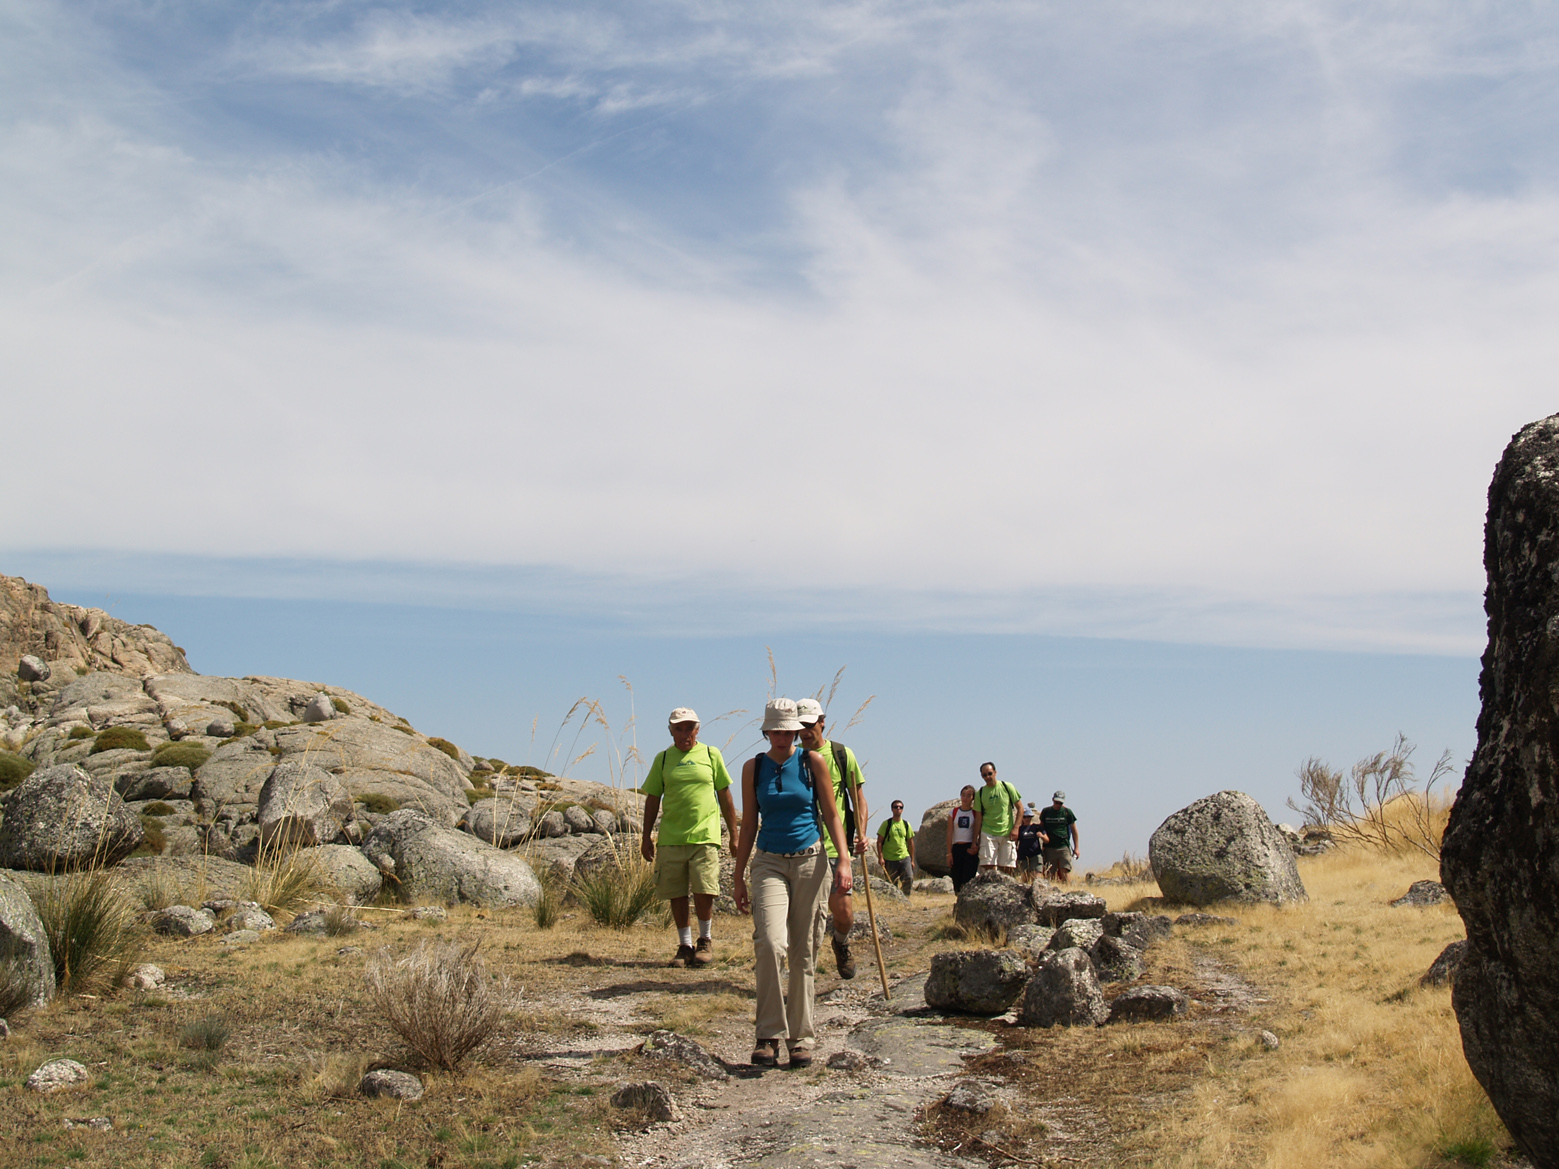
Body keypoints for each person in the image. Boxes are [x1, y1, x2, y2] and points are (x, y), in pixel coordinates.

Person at [732, 698, 853, 1069]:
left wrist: (844, 860)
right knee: (770, 943)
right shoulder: (753, 768)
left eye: (789, 730)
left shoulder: (812, 762)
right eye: (777, 730)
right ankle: (767, 1034)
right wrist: (738, 875)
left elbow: (832, 813)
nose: (784, 736)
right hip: (768, 860)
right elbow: (749, 823)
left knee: (803, 951)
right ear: (766, 731)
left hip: (810, 860)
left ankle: (800, 1037)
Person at [640, 708, 739, 968]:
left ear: (697, 730)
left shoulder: (711, 754)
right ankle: (684, 946)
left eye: (689, 728)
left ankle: (705, 940)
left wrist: (733, 834)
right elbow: (652, 799)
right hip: (671, 837)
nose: (684, 734)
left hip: (705, 835)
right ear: (671, 731)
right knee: (676, 892)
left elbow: (724, 794)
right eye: (678, 728)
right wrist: (646, 836)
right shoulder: (662, 760)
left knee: (704, 888)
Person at [796, 697, 868, 979]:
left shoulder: (841, 754)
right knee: (807, 916)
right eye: (800, 725)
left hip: (835, 846)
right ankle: (804, 973)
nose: (805, 730)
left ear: (822, 722)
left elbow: (858, 797)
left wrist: (861, 832)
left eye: (810, 724)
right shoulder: (791, 757)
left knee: (844, 911)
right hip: (804, 846)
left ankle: (840, 942)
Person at [975, 762, 1023, 875]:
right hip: (988, 833)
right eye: (984, 775)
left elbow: (1020, 808)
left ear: (995, 773)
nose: (987, 777)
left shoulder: (1007, 787)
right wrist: (974, 840)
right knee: (988, 867)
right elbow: (978, 818)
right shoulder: (980, 793)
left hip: (1006, 832)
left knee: (1006, 868)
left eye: (990, 773)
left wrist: (1016, 828)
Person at [876, 800, 916, 896]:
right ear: (892, 809)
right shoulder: (886, 824)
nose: (898, 809)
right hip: (890, 858)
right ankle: (894, 901)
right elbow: (879, 842)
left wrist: (912, 860)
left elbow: (911, 843)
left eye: (900, 807)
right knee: (891, 884)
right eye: (896, 807)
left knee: (909, 878)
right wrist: (880, 857)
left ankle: (906, 898)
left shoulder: (906, 825)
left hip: (904, 856)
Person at [1039, 790, 1080, 883]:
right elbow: (1041, 827)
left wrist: (1076, 848)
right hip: (1050, 847)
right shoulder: (1046, 811)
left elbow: (1074, 830)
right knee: (1050, 873)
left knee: (1064, 870)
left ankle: (1069, 890)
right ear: (1053, 800)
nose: (1058, 805)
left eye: (1060, 803)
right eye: (1056, 802)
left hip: (1063, 846)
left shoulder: (1067, 812)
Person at [945, 784, 981, 892]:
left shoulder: (975, 813)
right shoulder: (954, 812)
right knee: (956, 878)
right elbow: (950, 832)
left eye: (969, 796)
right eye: (963, 795)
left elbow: (978, 831)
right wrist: (949, 853)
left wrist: (976, 846)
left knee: (968, 878)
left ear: (973, 798)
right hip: (956, 848)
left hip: (969, 848)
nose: (965, 798)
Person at [1015, 805, 1043, 883]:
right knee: (1024, 879)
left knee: (1036, 879)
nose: (1027, 819)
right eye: (1025, 817)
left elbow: (1047, 839)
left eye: (1029, 817)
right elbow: (1016, 842)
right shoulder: (1019, 829)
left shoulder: (1036, 827)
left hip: (1035, 854)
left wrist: (1042, 836)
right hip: (1023, 855)